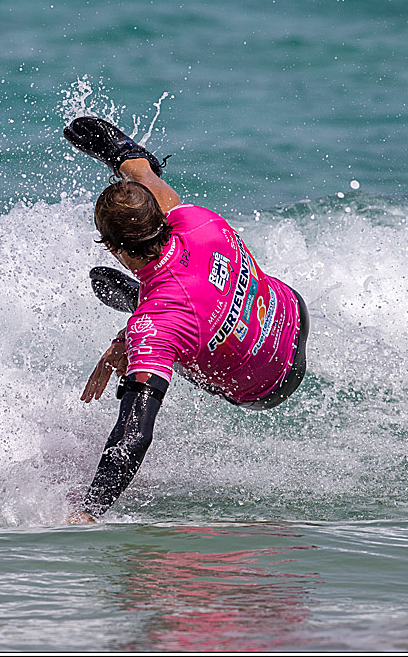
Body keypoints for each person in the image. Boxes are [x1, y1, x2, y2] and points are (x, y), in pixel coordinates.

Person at [63, 117, 309, 523]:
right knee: (172, 316)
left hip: (269, 384)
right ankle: (149, 302)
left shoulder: (154, 328)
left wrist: (89, 512)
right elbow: (143, 173)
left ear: (112, 247)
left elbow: (134, 434)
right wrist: (122, 156)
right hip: (291, 311)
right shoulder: (197, 219)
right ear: (159, 218)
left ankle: (143, 304)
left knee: (161, 329)